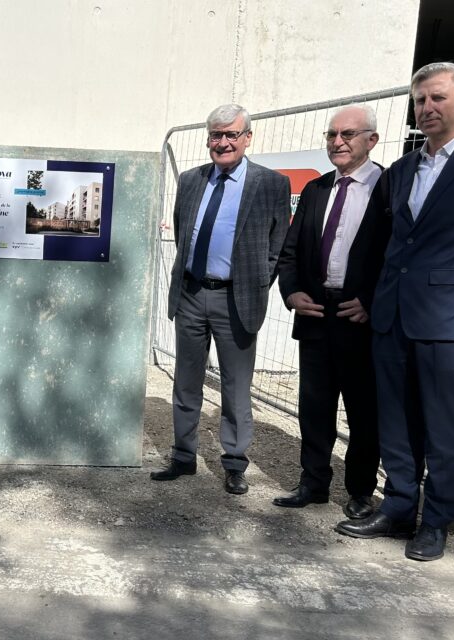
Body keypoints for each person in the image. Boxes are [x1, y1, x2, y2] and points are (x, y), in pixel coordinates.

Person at [335, 62, 454, 561]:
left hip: (452, 320)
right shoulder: (401, 170)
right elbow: (386, 243)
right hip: (393, 316)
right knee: (394, 420)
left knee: (444, 426)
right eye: (421, 100)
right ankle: (399, 506)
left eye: (438, 98)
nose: (427, 108)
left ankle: (436, 521)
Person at [152, 103, 291, 494]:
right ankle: (183, 456)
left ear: (248, 138)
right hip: (194, 293)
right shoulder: (193, 180)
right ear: (208, 138)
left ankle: (233, 462)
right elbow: (184, 232)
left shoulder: (271, 185)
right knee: (186, 380)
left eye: (232, 134)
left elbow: (276, 248)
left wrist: (252, 284)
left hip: (236, 300)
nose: (224, 142)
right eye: (217, 134)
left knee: (234, 385)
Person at [274, 105, 389, 519]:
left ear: (371, 140)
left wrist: (375, 301)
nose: (337, 142)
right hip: (315, 314)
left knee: (364, 411)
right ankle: (313, 483)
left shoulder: (389, 189)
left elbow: (399, 257)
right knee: (315, 405)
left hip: (360, 318)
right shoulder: (316, 189)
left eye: (348, 135)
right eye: (331, 135)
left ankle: (360, 490)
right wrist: (292, 293)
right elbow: (289, 253)